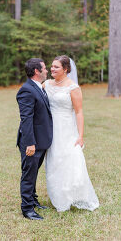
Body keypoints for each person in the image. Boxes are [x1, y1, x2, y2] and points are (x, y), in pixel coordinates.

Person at [42, 55, 99, 212]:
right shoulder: (46, 84)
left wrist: (80, 136)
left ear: (65, 69)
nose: (52, 69)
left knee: (68, 159)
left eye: (56, 67)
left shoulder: (73, 88)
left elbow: (79, 112)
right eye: (51, 66)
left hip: (66, 128)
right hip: (50, 128)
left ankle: (69, 194)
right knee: (53, 161)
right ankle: (58, 196)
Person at [15, 58, 53, 220]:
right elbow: (26, 119)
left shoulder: (38, 87)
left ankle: (33, 199)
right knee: (28, 175)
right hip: (31, 143)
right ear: (36, 71)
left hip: (40, 140)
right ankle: (27, 208)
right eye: (44, 69)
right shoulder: (26, 90)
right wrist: (30, 143)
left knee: (33, 172)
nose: (47, 71)